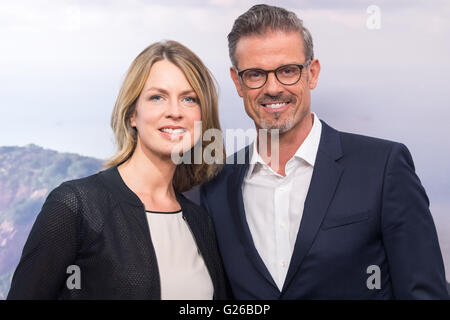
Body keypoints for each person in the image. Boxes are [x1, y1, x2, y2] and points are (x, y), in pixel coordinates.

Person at [200, 4, 449, 299]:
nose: (273, 87)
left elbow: (425, 293)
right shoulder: (216, 187)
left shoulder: (383, 168)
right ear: (238, 82)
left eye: (288, 71)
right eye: (255, 74)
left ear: (312, 73)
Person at [8, 40, 228, 299]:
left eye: (189, 99)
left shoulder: (200, 222)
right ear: (132, 114)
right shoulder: (76, 206)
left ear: (203, 117)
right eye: (157, 97)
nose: (175, 112)